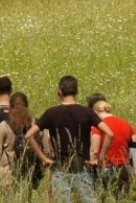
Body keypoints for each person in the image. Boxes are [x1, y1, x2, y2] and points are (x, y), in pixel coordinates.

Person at [27, 75, 114, 203]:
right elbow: (110, 133)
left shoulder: (51, 113)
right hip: (82, 168)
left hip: (60, 169)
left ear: (59, 93)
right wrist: (100, 157)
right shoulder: (87, 112)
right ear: (77, 92)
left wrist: (44, 158)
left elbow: (28, 135)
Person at [90, 100, 136, 199]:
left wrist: (92, 161)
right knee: (123, 198)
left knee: (104, 197)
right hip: (124, 167)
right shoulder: (127, 124)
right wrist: (135, 169)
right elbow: (134, 148)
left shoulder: (98, 126)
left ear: (95, 112)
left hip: (105, 166)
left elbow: (95, 149)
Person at [0, 90, 35, 191]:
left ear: (10, 107)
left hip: (7, 174)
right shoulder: (33, 125)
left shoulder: (4, 125)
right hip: (28, 174)